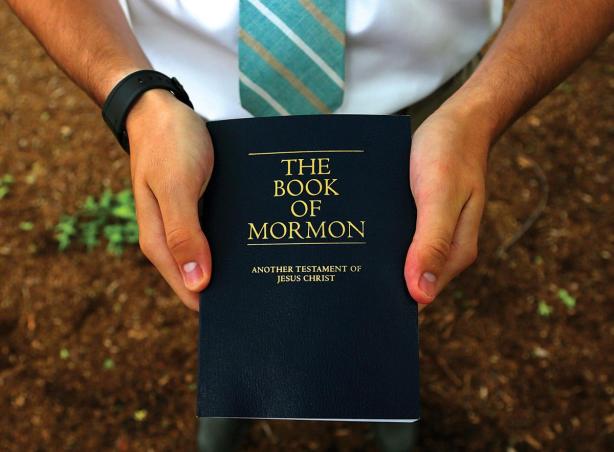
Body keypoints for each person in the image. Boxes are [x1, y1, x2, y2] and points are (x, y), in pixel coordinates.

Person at [6, 1, 612, 451]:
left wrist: (482, 111)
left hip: (429, 108)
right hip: (189, 110)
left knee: (401, 284)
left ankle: (383, 388)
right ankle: (235, 382)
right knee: (218, 281)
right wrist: (132, 95)